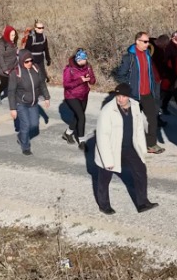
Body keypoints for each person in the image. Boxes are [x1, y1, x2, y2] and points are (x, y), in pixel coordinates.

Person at [93, 83, 157, 215]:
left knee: (141, 171)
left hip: (129, 147)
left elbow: (139, 129)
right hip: (111, 149)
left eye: (123, 96)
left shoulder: (134, 106)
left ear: (128, 96)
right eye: (118, 96)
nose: (120, 99)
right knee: (104, 178)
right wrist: (108, 160)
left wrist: (142, 149)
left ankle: (142, 203)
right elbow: (102, 137)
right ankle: (104, 205)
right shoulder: (108, 111)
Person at [116, 32, 165, 153]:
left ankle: (151, 145)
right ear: (137, 41)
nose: (147, 44)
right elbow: (120, 75)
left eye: (148, 41)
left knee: (153, 119)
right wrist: (128, 87)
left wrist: (154, 86)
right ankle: (130, 144)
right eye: (145, 41)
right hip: (134, 94)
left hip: (147, 93)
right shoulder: (129, 57)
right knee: (133, 120)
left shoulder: (148, 54)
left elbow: (150, 73)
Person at [6, 48, 50, 155]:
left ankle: (21, 135)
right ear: (21, 61)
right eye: (27, 61)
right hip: (21, 103)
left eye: (31, 60)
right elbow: (11, 92)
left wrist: (46, 97)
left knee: (34, 125)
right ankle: (25, 146)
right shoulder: (16, 73)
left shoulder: (36, 69)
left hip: (33, 103)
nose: (29, 63)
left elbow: (42, 84)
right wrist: (13, 108)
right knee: (26, 125)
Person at [60, 50, 95, 146]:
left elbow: (93, 81)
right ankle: (81, 140)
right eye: (82, 60)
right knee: (81, 116)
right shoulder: (69, 69)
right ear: (77, 60)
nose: (84, 62)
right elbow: (66, 85)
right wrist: (81, 80)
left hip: (83, 94)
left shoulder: (88, 66)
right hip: (71, 96)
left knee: (78, 115)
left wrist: (90, 77)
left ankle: (67, 133)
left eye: (85, 59)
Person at [0, 25, 19, 102]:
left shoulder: (13, 42)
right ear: (7, 34)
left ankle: (14, 97)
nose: (13, 37)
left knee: (14, 82)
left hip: (13, 66)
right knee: (4, 84)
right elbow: (0, 57)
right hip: (3, 68)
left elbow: (15, 52)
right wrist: (5, 69)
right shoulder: (2, 43)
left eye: (14, 35)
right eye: (11, 35)